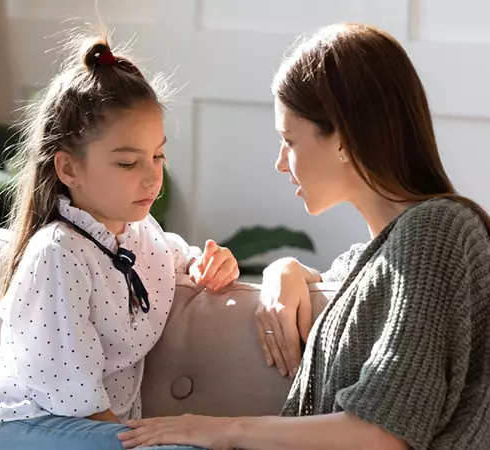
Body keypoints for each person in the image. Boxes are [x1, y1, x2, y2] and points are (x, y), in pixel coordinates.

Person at [118, 22, 490, 450]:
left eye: (289, 140)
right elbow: (345, 283)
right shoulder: (376, 256)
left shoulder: (439, 231)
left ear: (344, 140)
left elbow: (382, 434)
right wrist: (284, 269)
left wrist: (218, 428)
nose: (280, 163)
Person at [0, 32, 239, 450]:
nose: (153, 177)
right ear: (68, 168)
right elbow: (73, 399)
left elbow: (180, 257)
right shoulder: (57, 254)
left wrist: (210, 263)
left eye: (158, 155)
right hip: (13, 431)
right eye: (127, 162)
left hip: (83, 432)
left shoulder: (141, 235)